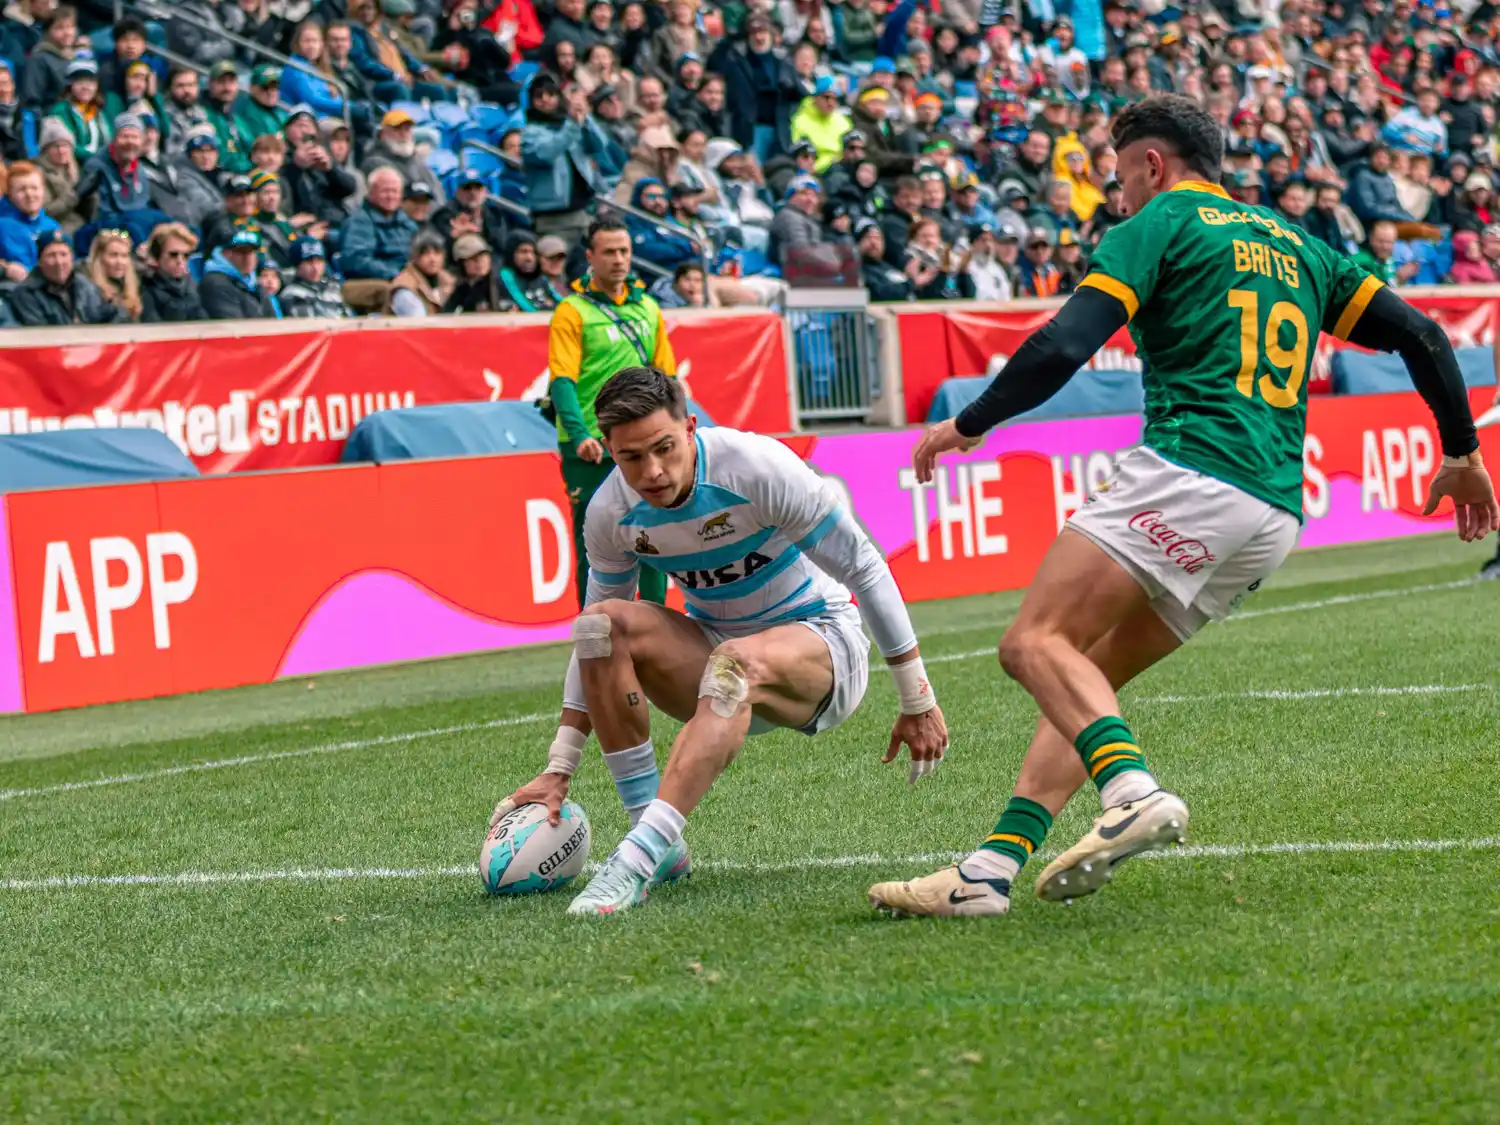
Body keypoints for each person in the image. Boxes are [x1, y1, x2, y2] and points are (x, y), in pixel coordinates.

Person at [867, 95, 1498, 920]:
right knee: (1083, 677)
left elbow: (1063, 343)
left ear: (1153, 165)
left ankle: (1131, 792)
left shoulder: (1160, 221)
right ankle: (988, 871)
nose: (1115, 194)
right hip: (1272, 511)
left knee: (1031, 643)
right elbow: (1425, 334)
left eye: (1120, 176)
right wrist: (1462, 450)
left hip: (1188, 472)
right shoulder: (1299, 243)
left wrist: (966, 423)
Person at [491, 365, 949, 915]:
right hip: (713, 657)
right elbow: (596, 643)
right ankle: (659, 845)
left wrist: (916, 697)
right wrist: (560, 766)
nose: (652, 472)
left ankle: (633, 863)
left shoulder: (756, 467)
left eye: (664, 448)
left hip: (820, 648)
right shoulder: (611, 511)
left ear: (689, 428)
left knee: (735, 661)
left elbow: (865, 569)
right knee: (599, 625)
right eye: (630, 457)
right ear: (610, 451)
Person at [546, 216, 676, 608]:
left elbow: (666, 377)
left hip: (643, 444)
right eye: (609, 252)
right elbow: (562, 382)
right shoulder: (572, 311)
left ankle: (655, 626)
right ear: (590, 256)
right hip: (590, 447)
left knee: (654, 535)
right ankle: (596, 633)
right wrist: (580, 433)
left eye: (624, 251)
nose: (618, 260)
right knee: (591, 541)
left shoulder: (649, 309)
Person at [522, 72, 613, 246]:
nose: (546, 100)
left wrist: (585, 117)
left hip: (584, 213)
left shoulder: (571, 123)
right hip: (552, 220)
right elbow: (546, 153)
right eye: (539, 96)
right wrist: (572, 123)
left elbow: (599, 145)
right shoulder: (530, 133)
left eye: (551, 94)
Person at [341, 166, 420, 312]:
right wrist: (394, 273)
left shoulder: (408, 224)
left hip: (406, 277)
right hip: (370, 282)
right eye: (385, 191)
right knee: (404, 295)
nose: (390, 196)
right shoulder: (359, 222)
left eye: (395, 191)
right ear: (371, 192)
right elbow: (356, 260)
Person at [9, 228, 124, 325]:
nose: (59, 262)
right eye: (51, 255)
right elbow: (39, 335)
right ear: (40, 260)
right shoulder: (26, 293)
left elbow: (102, 315)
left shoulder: (84, 285)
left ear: (72, 258)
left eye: (63, 254)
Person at [361, 107, 446, 204]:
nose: (403, 134)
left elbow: (438, 194)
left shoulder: (417, 160)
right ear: (382, 134)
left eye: (407, 129)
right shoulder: (375, 162)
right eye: (397, 129)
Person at [0, 161, 61, 279]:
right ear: (10, 195)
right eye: (21, 190)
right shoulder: (3, 226)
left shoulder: (53, 226)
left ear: (43, 191)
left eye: (34, 188)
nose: (29, 194)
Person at [200, 228, 276, 319]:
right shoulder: (214, 283)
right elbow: (231, 323)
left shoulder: (255, 284)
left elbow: (273, 319)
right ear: (225, 253)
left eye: (252, 251)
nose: (248, 257)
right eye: (241, 252)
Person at [140, 222, 207, 322]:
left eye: (185, 255)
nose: (180, 261)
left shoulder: (195, 287)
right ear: (157, 256)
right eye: (173, 255)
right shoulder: (144, 291)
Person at [387, 229, 454, 316]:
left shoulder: (449, 282)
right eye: (426, 254)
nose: (432, 259)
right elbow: (417, 323)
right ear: (415, 257)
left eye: (437, 253)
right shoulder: (405, 288)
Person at [279, 237, 349, 318]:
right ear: (297, 266)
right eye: (309, 262)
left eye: (319, 261)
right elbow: (307, 326)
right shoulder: (293, 293)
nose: (315, 268)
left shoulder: (332, 287)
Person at [444, 232, 513, 313]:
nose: (479, 262)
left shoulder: (501, 282)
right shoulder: (457, 288)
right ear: (461, 263)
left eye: (483, 256)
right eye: (472, 258)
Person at [86, 227, 142, 320]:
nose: (120, 262)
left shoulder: (138, 285)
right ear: (99, 257)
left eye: (124, 255)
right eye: (113, 255)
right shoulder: (89, 291)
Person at [497, 229, 554, 311]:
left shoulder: (541, 278)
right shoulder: (506, 275)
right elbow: (524, 305)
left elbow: (559, 300)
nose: (529, 258)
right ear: (511, 254)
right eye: (523, 252)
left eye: (533, 252)